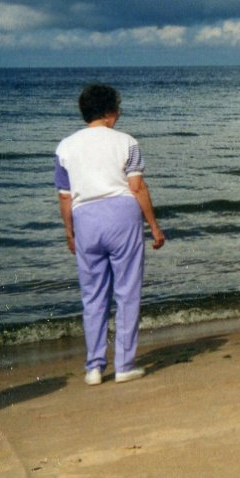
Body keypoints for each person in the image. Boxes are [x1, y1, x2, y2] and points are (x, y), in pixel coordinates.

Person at [55, 84, 165, 385]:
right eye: (117, 109)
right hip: (121, 215)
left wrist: (69, 231)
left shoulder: (65, 147)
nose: (119, 114)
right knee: (127, 291)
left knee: (93, 294)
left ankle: (93, 367)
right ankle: (124, 364)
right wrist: (154, 226)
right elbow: (137, 188)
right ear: (107, 113)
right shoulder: (127, 142)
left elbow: (65, 196)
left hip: (85, 218)